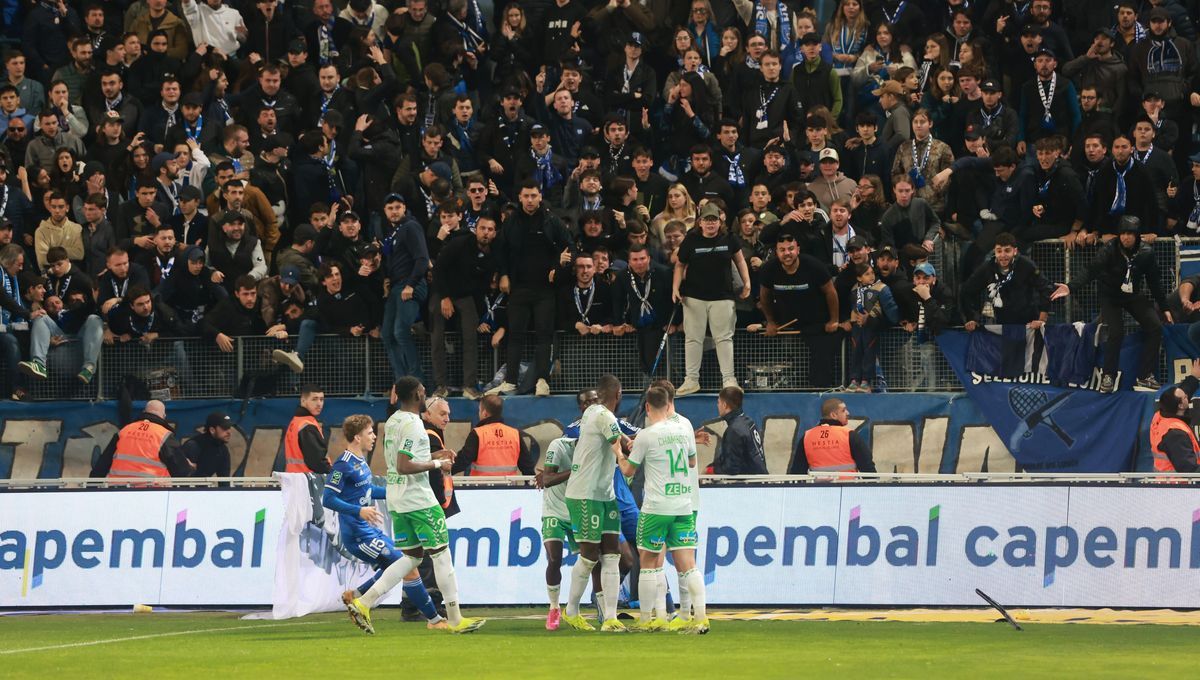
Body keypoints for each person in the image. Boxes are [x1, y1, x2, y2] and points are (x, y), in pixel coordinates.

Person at [346, 377, 486, 634]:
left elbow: (404, 459)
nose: (425, 394)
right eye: (423, 391)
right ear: (418, 394)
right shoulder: (413, 425)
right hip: (418, 498)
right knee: (442, 556)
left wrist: (435, 455)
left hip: (398, 498)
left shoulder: (394, 420)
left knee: (411, 557)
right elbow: (404, 464)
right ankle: (455, 620)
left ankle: (363, 602)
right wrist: (437, 465)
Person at [323, 413, 449, 634]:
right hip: (357, 535)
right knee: (408, 568)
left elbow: (367, 490)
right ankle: (435, 619)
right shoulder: (343, 465)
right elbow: (328, 498)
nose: (374, 437)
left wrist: (395, 492)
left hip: (369, 530)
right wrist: (359, 510)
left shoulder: (360, 461)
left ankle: (356, 596)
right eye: (370, 433)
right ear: (357, 437)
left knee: (400, 566)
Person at [617, 386, 708, 634]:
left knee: (649, 564)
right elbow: (690, 461)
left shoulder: (647, 435)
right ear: (668, 404)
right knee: (689, 565)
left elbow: (628, 471)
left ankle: (648, 620)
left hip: (657, 507)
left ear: (647, 407)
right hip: (683, 505)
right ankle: (700, 618)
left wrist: (618, 454)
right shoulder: (683, 429)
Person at [1051, 216, 1168, 393]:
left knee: (1155, 327)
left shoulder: (1146, 253)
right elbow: (1090, 271)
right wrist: (1070, 286)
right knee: (1116, 332)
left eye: (1130, 234)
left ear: (1137, 235)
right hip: (1110, 296)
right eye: (1123, 233)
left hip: (1133, 295)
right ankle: (1109, 376)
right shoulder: (1109, 249)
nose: (1126, 237)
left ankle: (1144, 376)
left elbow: (1154, 282)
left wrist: (1165, 307)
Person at [560, 373, 627, 632]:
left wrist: (627, 442)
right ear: (619, 395)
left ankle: (610, 618)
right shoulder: (604, 416)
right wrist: (623, 456)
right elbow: (615, 444)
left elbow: (618, 437)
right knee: (589, 556)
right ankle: (571, 611)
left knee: (612, 554)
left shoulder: (592, 413)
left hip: (604, 494)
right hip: (585, 494)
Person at [673, 202, 750, 395]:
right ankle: (691, 380)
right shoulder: (691, 240)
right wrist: (675, 288)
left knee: (724, 338)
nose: (710, 223)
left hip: (723, 297)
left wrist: (747, 282)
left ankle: (729, 380)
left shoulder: (729, 238)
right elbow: (680, 265)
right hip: (694, 297)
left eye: (713, 219)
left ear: (720, 220)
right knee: (692, 339)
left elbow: (740, 260)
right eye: (706, 220)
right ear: (700, 222)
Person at [959, 232, 1054, 329]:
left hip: (1029, 323)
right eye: (999, 251)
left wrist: (1041, 320)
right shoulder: (988, 267)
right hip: (1002, 323)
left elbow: (1046, 289)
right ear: (994, 251)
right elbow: (967, 291)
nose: (1003, 255)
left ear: (1015, 251)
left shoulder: (1026, 265)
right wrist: (972, 318)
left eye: (1007, 251)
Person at [91, 400, 193, 480]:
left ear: (144, 412)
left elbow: (102, 465)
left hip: (119, 491)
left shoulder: (124, 431)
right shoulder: (164, 435)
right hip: (153, 493)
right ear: (164, 416)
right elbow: (182, 472)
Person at [536, 434, 578, 631]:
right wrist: (575, 470)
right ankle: (554, 607)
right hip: (554, 510)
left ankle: (576, 608)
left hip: (579, 509)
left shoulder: (596, 448)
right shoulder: (559, 446)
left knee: (593, 561)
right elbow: (547, 479)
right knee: (554, 559)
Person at [847, 262, 899, 393]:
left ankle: (866, 381)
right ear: (859, 278)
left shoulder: (881, 288)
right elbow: (853, 306)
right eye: (867, 274)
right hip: (857, 327)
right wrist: (854, 320)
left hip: (871, 326)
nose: (871, 276)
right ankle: (854, 380)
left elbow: (885, 309)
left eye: (872, 273)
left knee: (869, 353)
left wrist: (869, 317)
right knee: (856, 352)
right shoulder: (854, 289)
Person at [452, 395, 535, 476]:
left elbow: (463, 460)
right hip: (509, 487)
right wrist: (532, 487)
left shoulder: (477, 434)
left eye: (479, 410)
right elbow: (527, 466)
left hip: (480, 487)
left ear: (484, 413)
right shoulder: (515, 434)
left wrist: (445, 472)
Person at [790, 397, 876, 475]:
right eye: (843, 410)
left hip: (818, 490)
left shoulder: (807, 437)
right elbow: (867, 467)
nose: (848, 413)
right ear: (833, 415)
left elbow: (797, 472)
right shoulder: (849, 435)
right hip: (847, 489)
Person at [1149, 358, 1200, 473]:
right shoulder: (1175, 434)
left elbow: (1182, 391)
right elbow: (1190, 469)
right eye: (1185, 397)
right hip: (1177, 486)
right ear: (1181, 406)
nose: (1187, 395)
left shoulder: (1159, 416)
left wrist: (1193, 377)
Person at [709, 385, 766, 475]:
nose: (717, 405)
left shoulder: (734, 431)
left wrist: (710, 471)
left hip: (750, 484)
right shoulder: (748, 421)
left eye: (718, 402)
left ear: (724, 405)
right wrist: (712, 466)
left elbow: (731, 468)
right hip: (760, 478)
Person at [283, 385, 330, 474]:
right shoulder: (307, 426)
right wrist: (333, 474)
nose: (319, 403)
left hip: (295, 478)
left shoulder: (296, 421)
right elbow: (317, 462)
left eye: (321, 399)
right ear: (303, 401)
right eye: (314, 399)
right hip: (308, 481)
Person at [184, 412, 234, 484]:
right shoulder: (193, 445)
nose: (229, 432)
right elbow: (180, 478)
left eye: (229, 428)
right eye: (224, 428)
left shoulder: (223, 450)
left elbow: (224, 482)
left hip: (203, 491)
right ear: (212, 430)